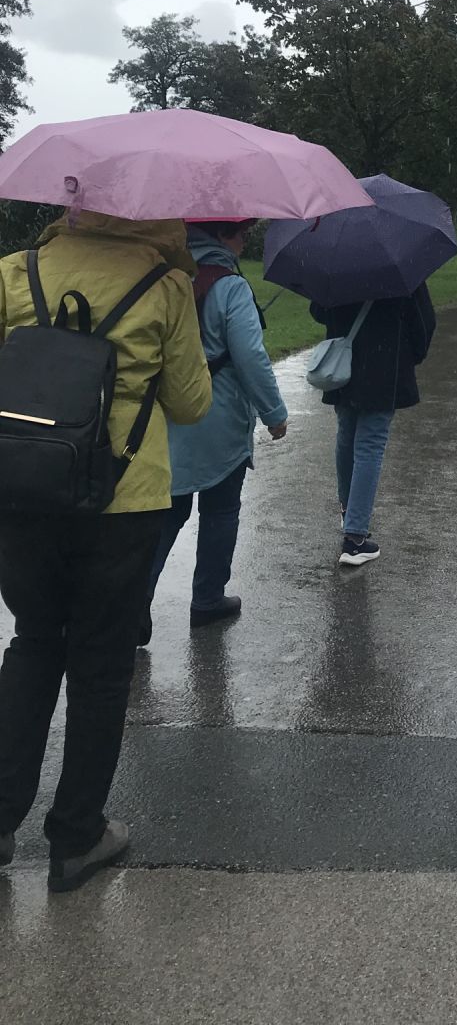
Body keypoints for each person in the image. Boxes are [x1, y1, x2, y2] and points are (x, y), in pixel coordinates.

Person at [0, 212, 211, 894]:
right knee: (99, 668)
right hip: (124, 503)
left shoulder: (12, 271)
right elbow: (189, 404)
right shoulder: (166, 287)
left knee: (34, 644)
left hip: (23, 494)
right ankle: (77, 837)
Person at [143, 220, 288, 642]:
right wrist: (274, 413)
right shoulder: (230, 286)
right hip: (219, 415)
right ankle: (207, 600)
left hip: (166, 413)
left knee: (167, 513)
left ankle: (134, 605)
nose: (245, 241)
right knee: (221, 509)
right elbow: (250, 357)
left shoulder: (164, 276)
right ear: (222, 235)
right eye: (242, 233)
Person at [311, 286, 436, 567]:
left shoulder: (338, 263)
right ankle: (355, 538)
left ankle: (349, 511)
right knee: (369, 444)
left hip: (344, 366)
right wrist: (410, 356)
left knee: (346, 435)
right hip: (385, 365)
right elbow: (424, 321)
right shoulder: (401, 270)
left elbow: (318, 310)